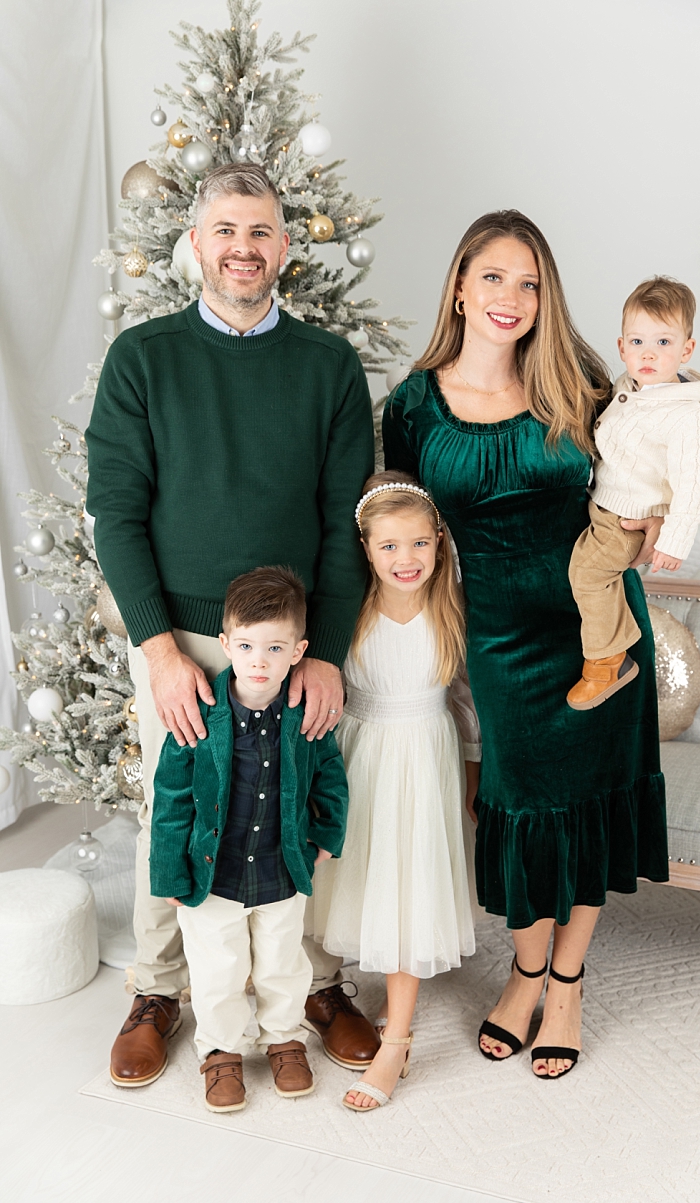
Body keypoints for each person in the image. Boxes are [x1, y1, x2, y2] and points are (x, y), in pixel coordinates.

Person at [85, 161, 380, 1088]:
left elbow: (345, 519)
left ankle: (317, 985)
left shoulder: (328, 365)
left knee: (303, 798)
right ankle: (159, 988)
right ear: (196, 243)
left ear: (284, 248)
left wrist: (323, 651)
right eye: (225, 231)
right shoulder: (143, 357)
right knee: (172, 813)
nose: (243, 249)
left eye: (260, 232)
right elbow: (116, 514)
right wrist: (160, 651)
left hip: (293, 642)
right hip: (182, 641)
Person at [383, 210, 669, 1080]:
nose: (511, 297)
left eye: (530, 282)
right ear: (461, 285)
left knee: (589, 799)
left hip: (603, 629)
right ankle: (524, 969)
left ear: (545, 299)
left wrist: (650, 516)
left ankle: (566, 983)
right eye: (495, 277)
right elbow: (397, 530)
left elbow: (644, 474)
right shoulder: (412, 405)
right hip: (503, 637)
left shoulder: (579, 384)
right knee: (526, 803)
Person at [306, 471, 481, 1112]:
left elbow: (464, 701)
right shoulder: (347, 610)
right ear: (366, 549)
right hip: (359, 755)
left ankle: (397, 1040)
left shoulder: (452, 605)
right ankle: (329, 1001)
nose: (405, 560)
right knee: (361, 882)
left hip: (424, 758)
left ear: (439, 543)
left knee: (408, 893)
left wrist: (472, 771)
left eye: (418, 545)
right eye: (388, 547)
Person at [148, 568, 349, 1112]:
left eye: (275, 647)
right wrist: (168, 873)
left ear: (299, 650)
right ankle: (222, 1052)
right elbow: (169, 798)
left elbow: (329, 774)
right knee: (218, 969)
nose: (259, 660)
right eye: (246, 646)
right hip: (212, 874)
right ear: (225, 644)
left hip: (283, 869)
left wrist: (327, 834)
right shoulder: (200, 714)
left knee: (284, 962)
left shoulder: (306, 715)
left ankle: (284, 1039)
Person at [565, 276, 700, 709]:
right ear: (621, 348)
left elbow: (693, 483)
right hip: (603, 505)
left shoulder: (692, 415)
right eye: (637, 341)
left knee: (589, 574)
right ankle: (607, 645)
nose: (648, 353)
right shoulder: (628, 387)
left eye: (663, 342)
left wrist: (674, 540)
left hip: (630, 519)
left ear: (686, 350)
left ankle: (607, 660)